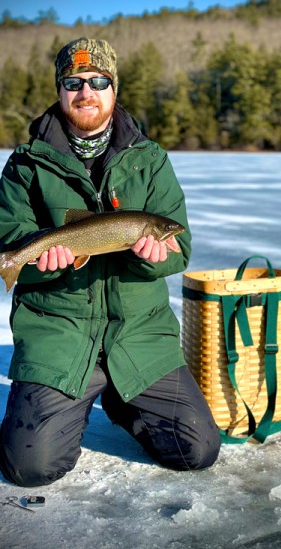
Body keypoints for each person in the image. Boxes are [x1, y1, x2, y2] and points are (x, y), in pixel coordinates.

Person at [0, 38, 220, 487]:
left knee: (197, 450)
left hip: (138, 334)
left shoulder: (151, 160)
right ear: (60, 90)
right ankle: (73, 400)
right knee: (29, 467)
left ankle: (123, 401)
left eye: (99, 81)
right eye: (74, 82)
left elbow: (182, 244)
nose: (87, 92)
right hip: (58, 334)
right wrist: (42, 259)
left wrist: (154, 259)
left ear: (114, 88)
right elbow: (11, 234)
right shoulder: (26, 165)